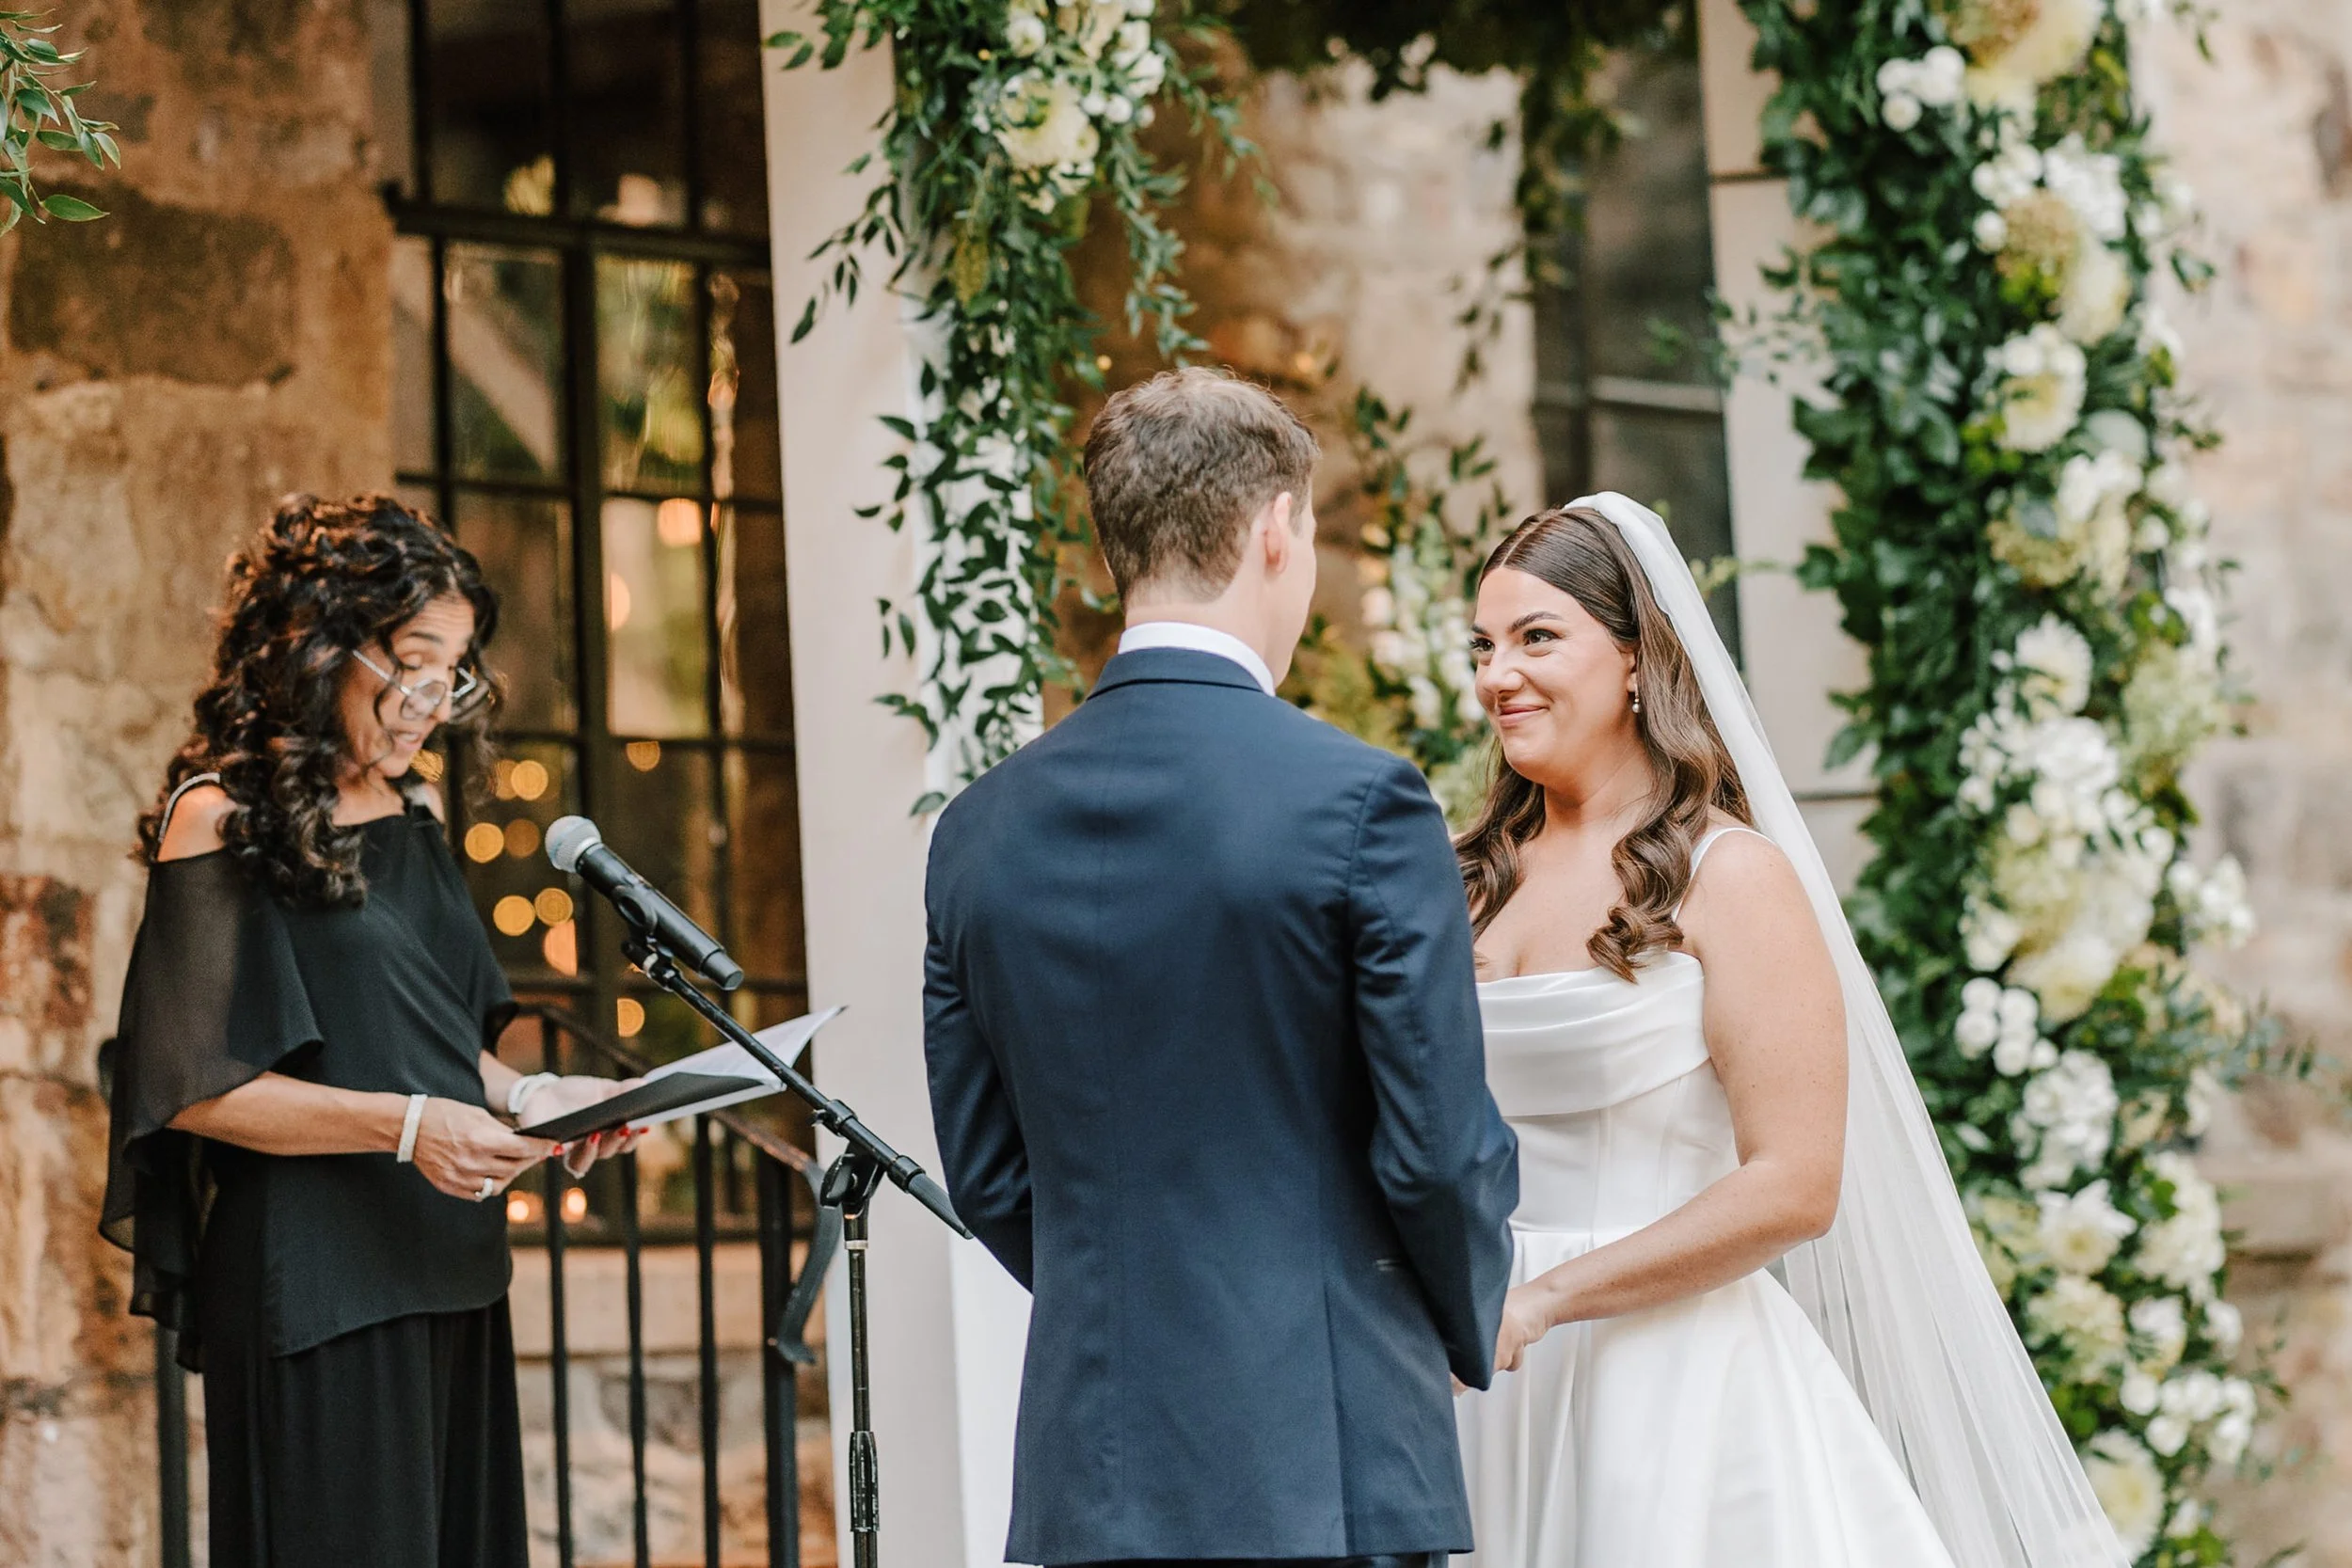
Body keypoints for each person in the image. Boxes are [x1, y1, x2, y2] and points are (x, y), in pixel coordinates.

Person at [1451, 496, 2124, 1568]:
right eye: (1483, 645)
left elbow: (1796, 1184)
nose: (1497, 675)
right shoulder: (1460, 873)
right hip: (1476, 1380)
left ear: (1634, 659)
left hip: (1664, 1383)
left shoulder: (1732, 876)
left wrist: (1543, 1298)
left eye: (1537, 638)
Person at [923, 368, 1520, 1568]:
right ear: (1274, 532)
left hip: (1095, 1467)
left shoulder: (978, 828)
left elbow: (987, 1171)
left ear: (1115, 552)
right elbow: (1436, 1143)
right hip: (1325, 1447)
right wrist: (1462, 1321)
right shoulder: (1361, 801)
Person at [99, 493, 637, 1568]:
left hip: (450, 1265)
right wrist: (406, 1129)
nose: (432, 699)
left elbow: (439, 1039)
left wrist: (538, 1099)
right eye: (412, 660)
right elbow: (194, 1084)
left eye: (455, 669)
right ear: (320, 643)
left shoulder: (417, 811)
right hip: (316, 1284)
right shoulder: (217, 815)